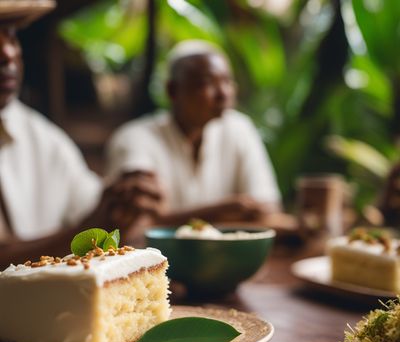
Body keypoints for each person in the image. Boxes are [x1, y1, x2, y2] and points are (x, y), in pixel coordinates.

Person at [0, 1, 163, 267]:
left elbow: (93, 211)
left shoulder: (44, 140)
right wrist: (95, 224)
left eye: (12, 36)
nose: (6, 53)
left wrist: (122, 206)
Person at [107, 40, 282, 226]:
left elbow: (268, 209)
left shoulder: (240, 128)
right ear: (172, 91)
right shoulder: (135, 138)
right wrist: (226, 210)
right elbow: (138, 221)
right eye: (207, 83)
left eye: (227, 81)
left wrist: (171, 218)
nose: (223, 93)